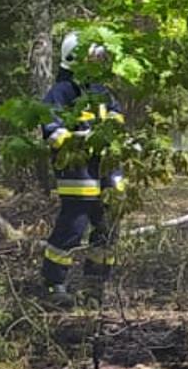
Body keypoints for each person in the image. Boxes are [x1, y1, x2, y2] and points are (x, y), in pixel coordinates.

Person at [40, 31, 125, 306]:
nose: (98, 62)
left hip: (106, 169)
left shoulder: (100, 90)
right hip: (78, 171)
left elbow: (116, 112)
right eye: (92, 56)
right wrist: (69, 136)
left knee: (107, 227)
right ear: (75, 58)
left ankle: (94, 286)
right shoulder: (61, 91)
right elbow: (51, 129)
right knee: (73, 225)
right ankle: (55, 284)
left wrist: (114, 127)